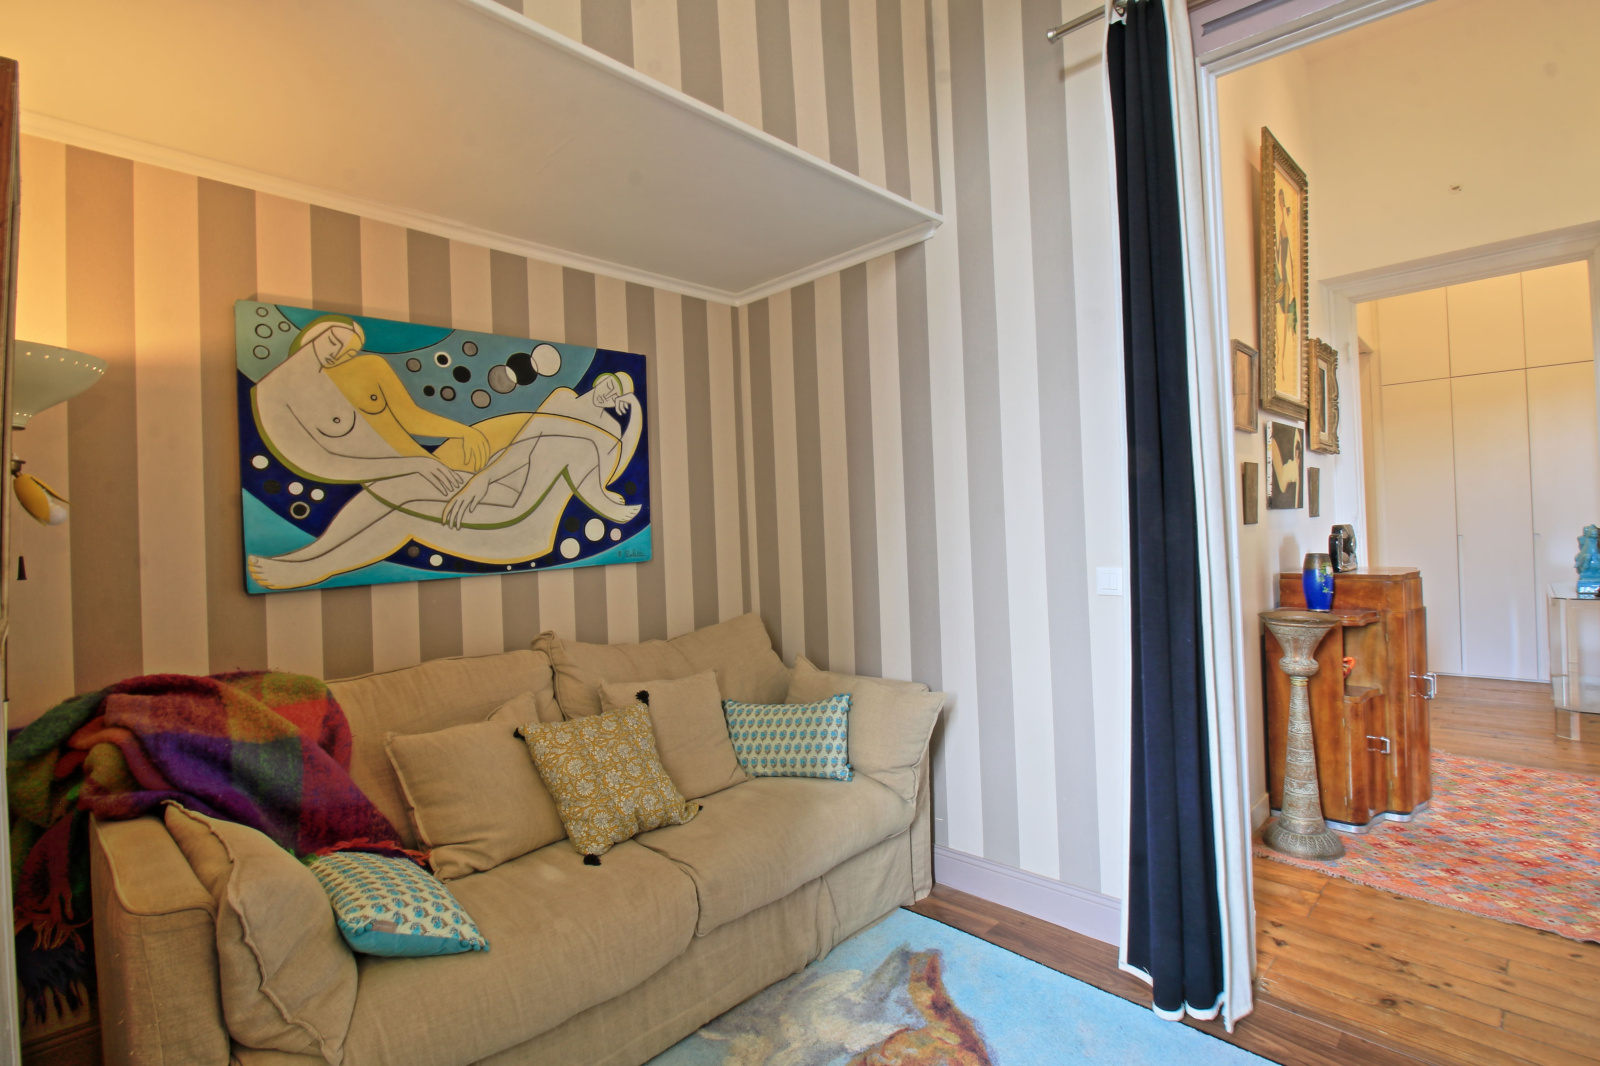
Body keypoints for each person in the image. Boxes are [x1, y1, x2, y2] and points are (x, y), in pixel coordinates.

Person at [248, 319, 644, 589]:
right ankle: (312, 555)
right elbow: (521, 449)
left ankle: (317, 568)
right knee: (400, 489)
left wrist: (635, 417)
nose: (607, 394)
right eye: (608, 385)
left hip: (521, 521)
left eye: (616, 395)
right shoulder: (561, 402)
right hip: (495, 494)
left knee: (404, 514)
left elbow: (600, 472)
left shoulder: (600, 439)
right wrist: (479, 480)